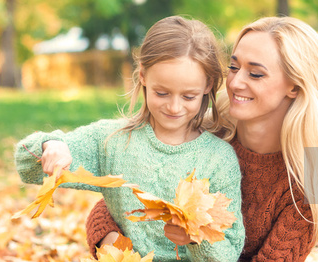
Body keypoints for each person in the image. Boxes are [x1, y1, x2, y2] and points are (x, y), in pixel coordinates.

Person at [86, 16, 318, 261]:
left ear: (294, 86)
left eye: (255, 73)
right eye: (233, 67)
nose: (236, 82)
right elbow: (115, 206)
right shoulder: (202, 139)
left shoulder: (313, 186)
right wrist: (116, 247)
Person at [15, 16, 245, 261]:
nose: (174, 106)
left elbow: (228, 254)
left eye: (188, 96)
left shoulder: (219, 159)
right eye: (162, 92)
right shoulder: (114, 141)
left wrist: (195, 238)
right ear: (143, 76)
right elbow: (26, 165)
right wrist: (52, 146)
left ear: (208, 85)